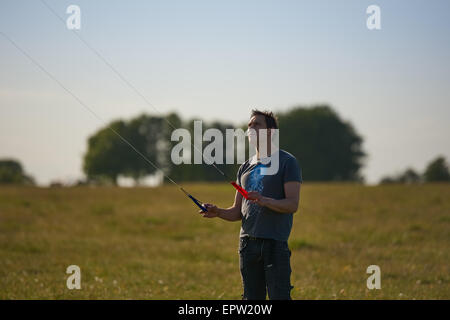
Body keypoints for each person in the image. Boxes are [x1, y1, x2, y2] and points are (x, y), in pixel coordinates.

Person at [199, 109, 302, 300]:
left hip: (274, 244)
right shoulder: (244, 167)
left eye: (257, 124)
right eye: (249, 125)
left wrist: (265, 200)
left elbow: (292, 204)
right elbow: (237, 212)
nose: (251, 128)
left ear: (270, 132)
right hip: (247, 245)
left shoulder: (288, 162)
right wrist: (218, 211)